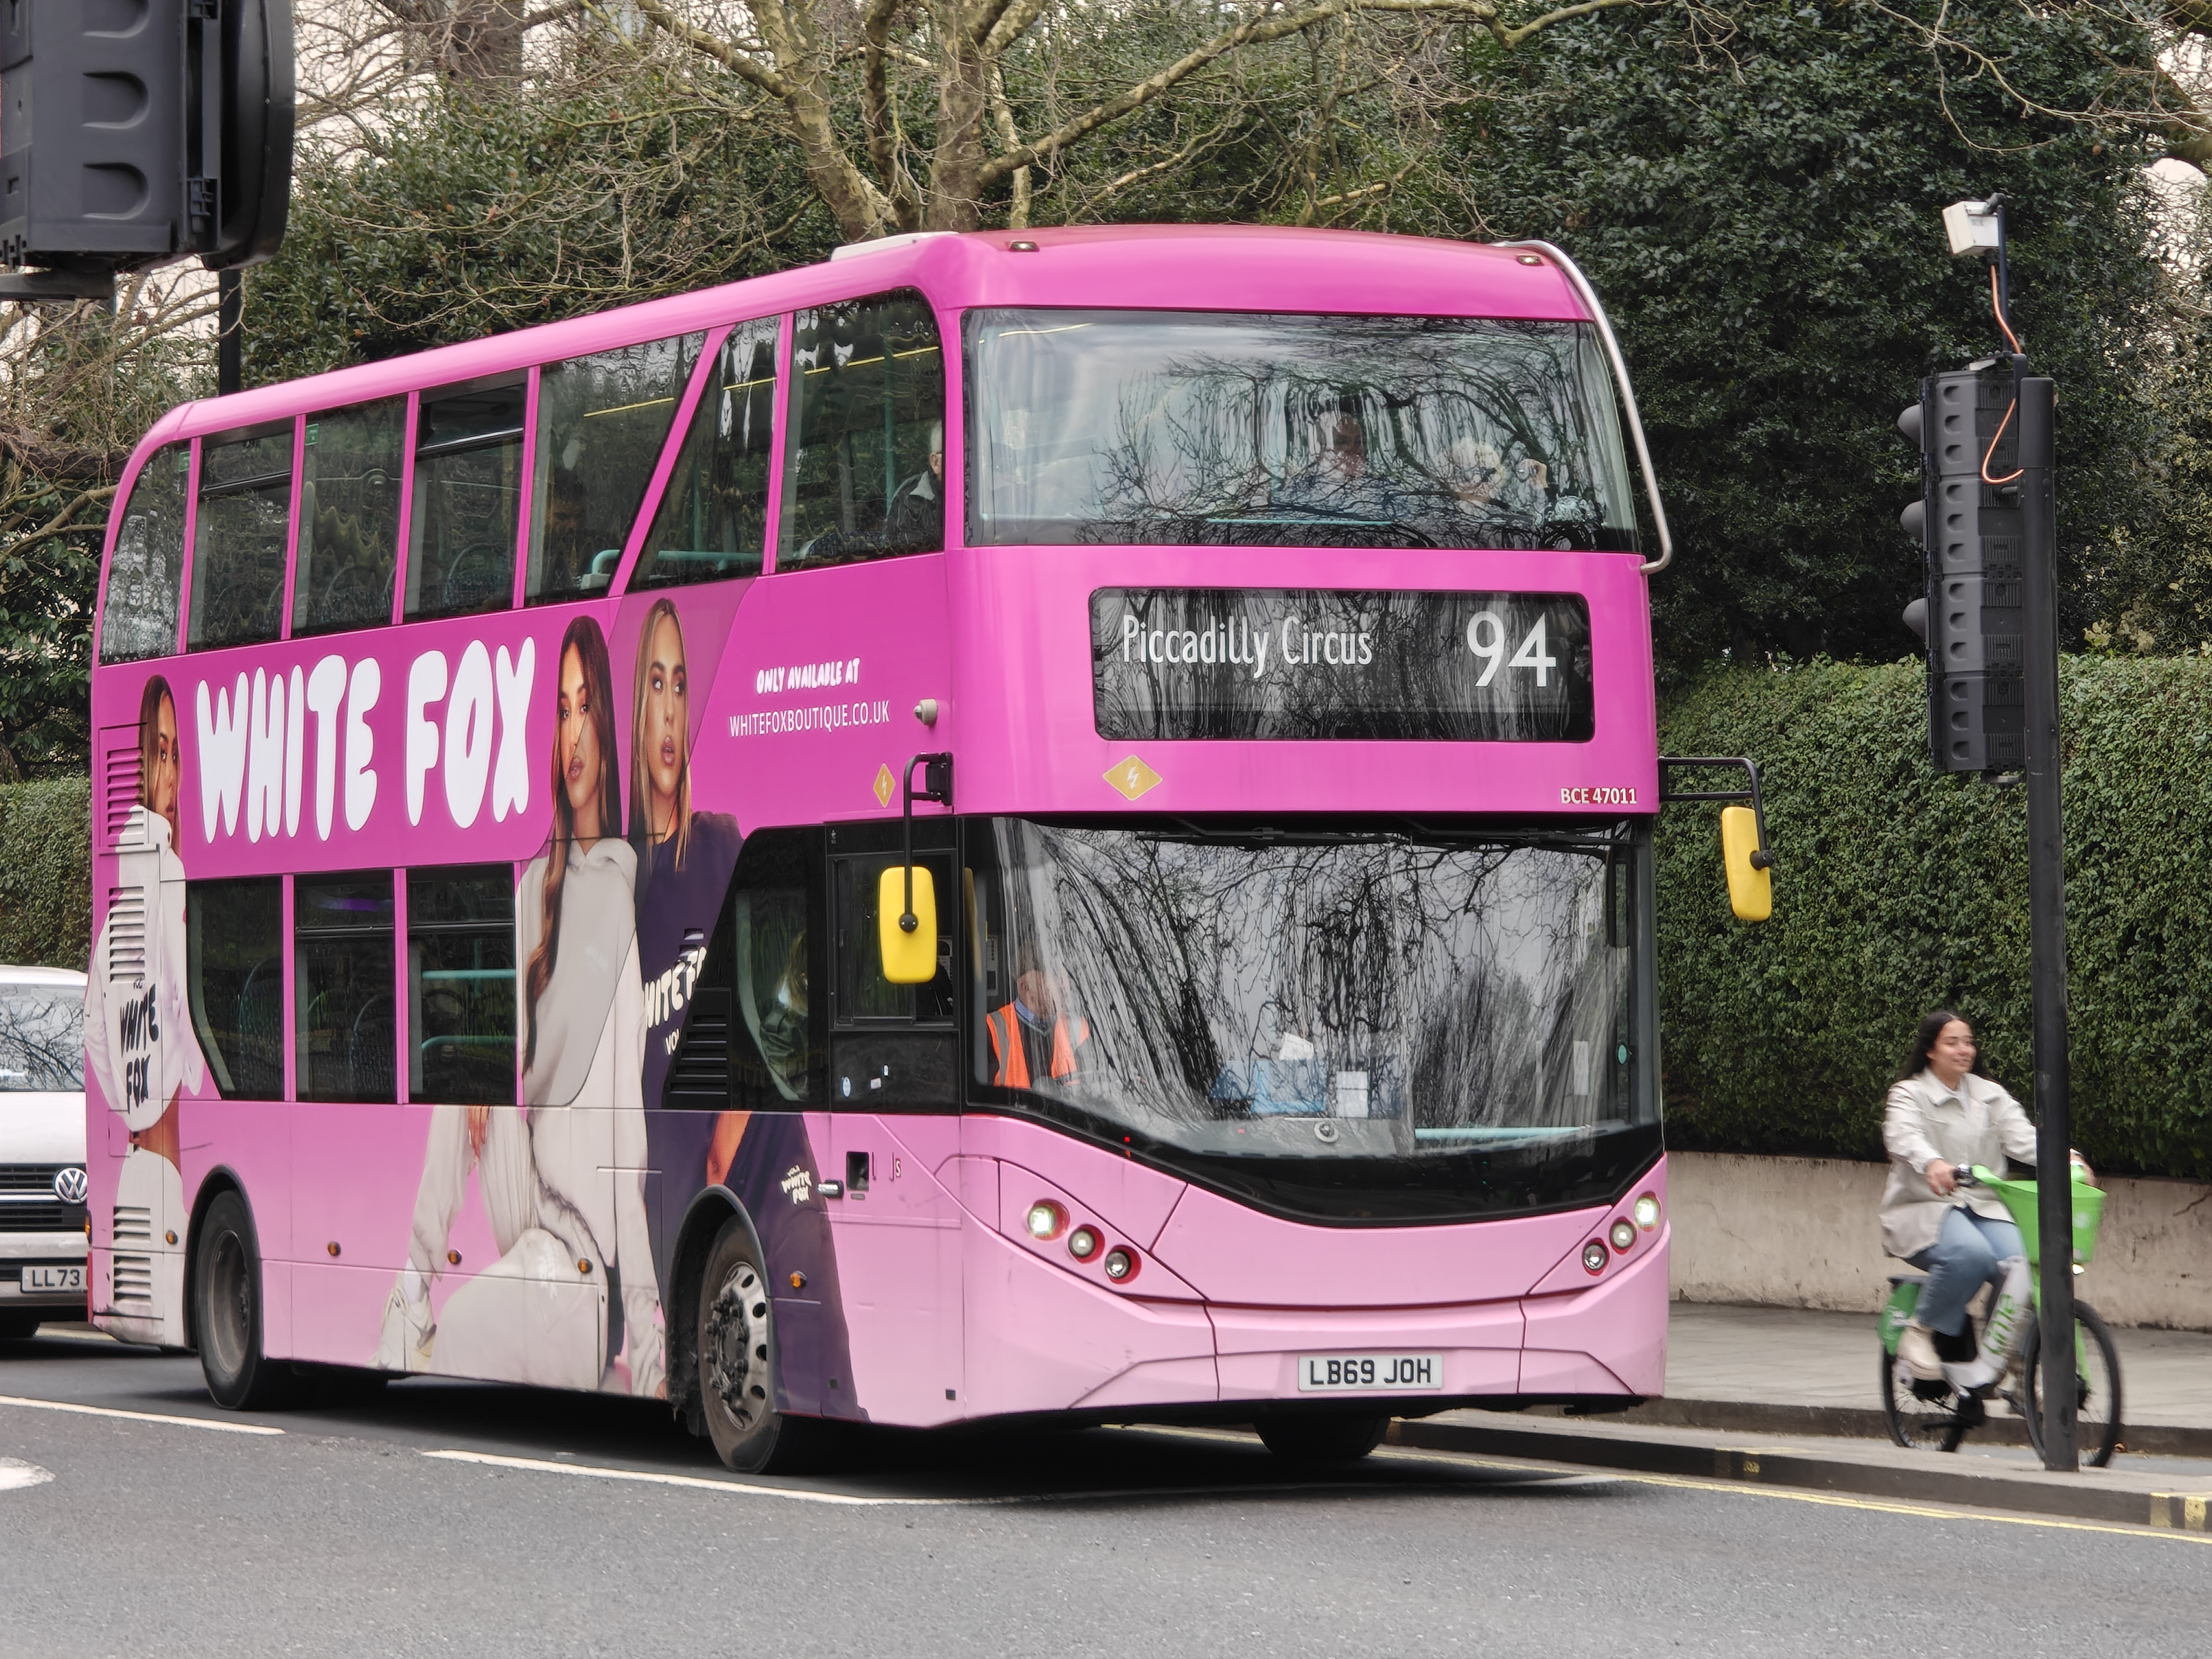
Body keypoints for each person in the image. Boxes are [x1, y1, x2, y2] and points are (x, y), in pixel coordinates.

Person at [377, 617, 666, 1398]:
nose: (573, 734)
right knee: (461, 1074)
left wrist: (647, 1345)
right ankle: (411, 1282)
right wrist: (481, 1075)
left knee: (460, 1337)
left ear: (608, 731)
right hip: (528, 1214)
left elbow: (624, 1144)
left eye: (586, 709)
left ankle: (416, 1303)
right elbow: (494, 1046)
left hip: (575, 1261)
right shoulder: (536, 886)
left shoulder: (613, 893)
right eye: (561, 710)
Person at [84, 676, 208, 1343]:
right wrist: (172, 1077)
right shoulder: (168, 876)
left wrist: (129, 1104)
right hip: (160, 1173)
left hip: (138, 1160)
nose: (166, 770)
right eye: (157, 752)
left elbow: (94, 1025)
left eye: (173, 752)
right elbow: (186, 1009)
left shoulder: (120, 906)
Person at [1881, 1011, 2088, 1381]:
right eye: (1952, 1042)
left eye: (1969, 1041)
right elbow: (1903, 1135)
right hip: (1928, 1207)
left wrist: (2067, 1157)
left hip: (1985, 1206)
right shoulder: (1909, 1094)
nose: (1965, 1050)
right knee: (1969, 1255)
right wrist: (1932, 1163)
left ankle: (2016, 1357)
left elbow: (2025, 1138)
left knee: (2028, 1263)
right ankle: (1920, 1331)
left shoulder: (1990, 1094)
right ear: (1930, 1050)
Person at [628, 597, 743, 1114]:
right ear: (636, 707)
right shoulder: (615, 878)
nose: (671, 711)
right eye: (656, 685)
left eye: (680, 685)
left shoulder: (720, 846)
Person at [986, 942, 1090, 1089]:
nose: (1064, 984)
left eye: (1066, 976)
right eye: (1053, 974)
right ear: (1024, 986)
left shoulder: (1081, 1030)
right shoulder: (991, 1029)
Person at [882, 421, 945, 550]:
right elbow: (908, 557)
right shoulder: (910, 501)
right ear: (935, 463)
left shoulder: (988, 496)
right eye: (959, 453)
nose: (968, 462)